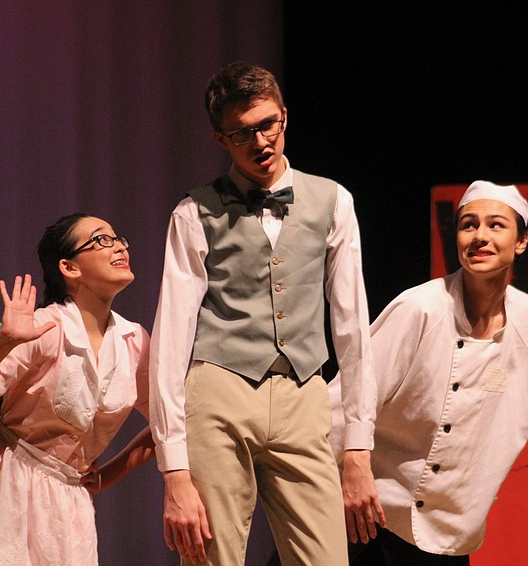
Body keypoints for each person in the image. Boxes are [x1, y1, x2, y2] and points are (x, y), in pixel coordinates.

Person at [328, 180, 528, 564]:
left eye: (496, 225)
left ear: (521, 241)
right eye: (468, 225)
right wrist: (338, 473)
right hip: (365, 511)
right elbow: (350, 397)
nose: (479, 236)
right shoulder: (420, 309)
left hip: (448, 530)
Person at [149, 61, 381, 566]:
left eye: (267, 124)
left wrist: (359, 447)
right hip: (219, 388)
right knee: (213, 559)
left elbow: (352, 327)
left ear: (284, 117)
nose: (259, 142)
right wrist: (174, 470)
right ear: (220, 138)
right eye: (242, 133)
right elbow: (170, 341)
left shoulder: (333, 201)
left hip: (304, 393)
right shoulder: (194, 212)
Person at [0, 213, 154, 565]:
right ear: (69, 267)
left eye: (119, 238)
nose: (119, 246)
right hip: (7, 489)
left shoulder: (134, 340)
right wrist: (3, 341)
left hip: (70, 504)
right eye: (102, 240)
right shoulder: (45, 327)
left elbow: (169, 425)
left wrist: (108, 475)